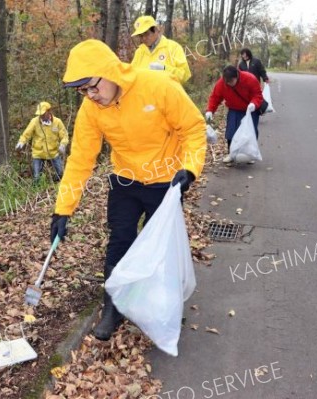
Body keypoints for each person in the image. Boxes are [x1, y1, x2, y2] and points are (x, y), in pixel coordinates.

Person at [49, 39, 206, 341]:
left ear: (110, 72)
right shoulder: (91, 110)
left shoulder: (157, 85)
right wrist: (63, 209)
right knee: (120, 239)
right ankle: (114, 306)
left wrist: (189, 169)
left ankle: (161, 305)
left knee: (159, 245)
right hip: (125, 180)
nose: (90, 96)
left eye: (92, 87)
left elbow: (193, 128)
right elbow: (81, 158)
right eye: (83, 91)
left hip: (165, 180)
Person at [205, 66, 263, 164]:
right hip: (234, 109)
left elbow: (257, 95)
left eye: (231, 81)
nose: (229, 84)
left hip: (250, 110)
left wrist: (254, 104)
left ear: (237, 76)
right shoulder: (221, 83)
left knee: (249, 132)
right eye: (227, 82)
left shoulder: (250, 79)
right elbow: (215, 97)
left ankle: (249, 154)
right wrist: (210, 110)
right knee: (231, 132)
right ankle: (231, 154)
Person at [16, 102, 69, 182]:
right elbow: (26, 134)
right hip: (38, 153)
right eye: (40, 114)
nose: (42, 116)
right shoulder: (34, 121)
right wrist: (21, 142)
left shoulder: (57, 122)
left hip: (53, 152)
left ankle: (52, 186)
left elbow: (64, 136)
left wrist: (62, 145)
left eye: (43, 114)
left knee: (60, 173)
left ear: (49, 111)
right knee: (36, 178)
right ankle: (36, 191)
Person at [130, 16, 191, 85]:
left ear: (156, 30)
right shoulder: (139, 52)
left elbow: (184, 75)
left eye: (146, 34)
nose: (143, 38)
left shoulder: (173, 47)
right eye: (140, 36)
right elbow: (132, 75)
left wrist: (164, 69)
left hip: (166, 95)